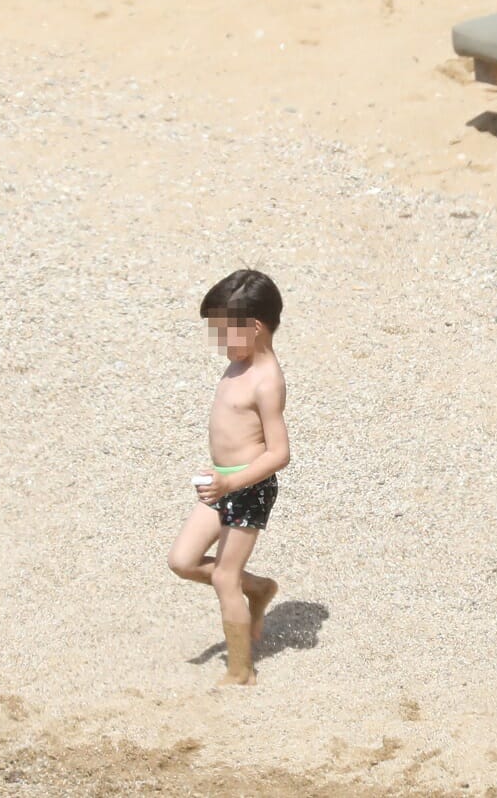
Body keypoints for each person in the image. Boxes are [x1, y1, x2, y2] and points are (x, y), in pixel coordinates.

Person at [167, 269, 290, 686]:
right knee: (182, 561)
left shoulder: (266, 381)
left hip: (248, 488)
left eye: (225, 333)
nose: (220, 343)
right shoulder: (238, 364)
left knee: (223, 576)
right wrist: (221, 480)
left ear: (255, 328)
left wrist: (231, 483)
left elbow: (279, 453)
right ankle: (257, 589)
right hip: (221, 482)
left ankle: (241, 671)